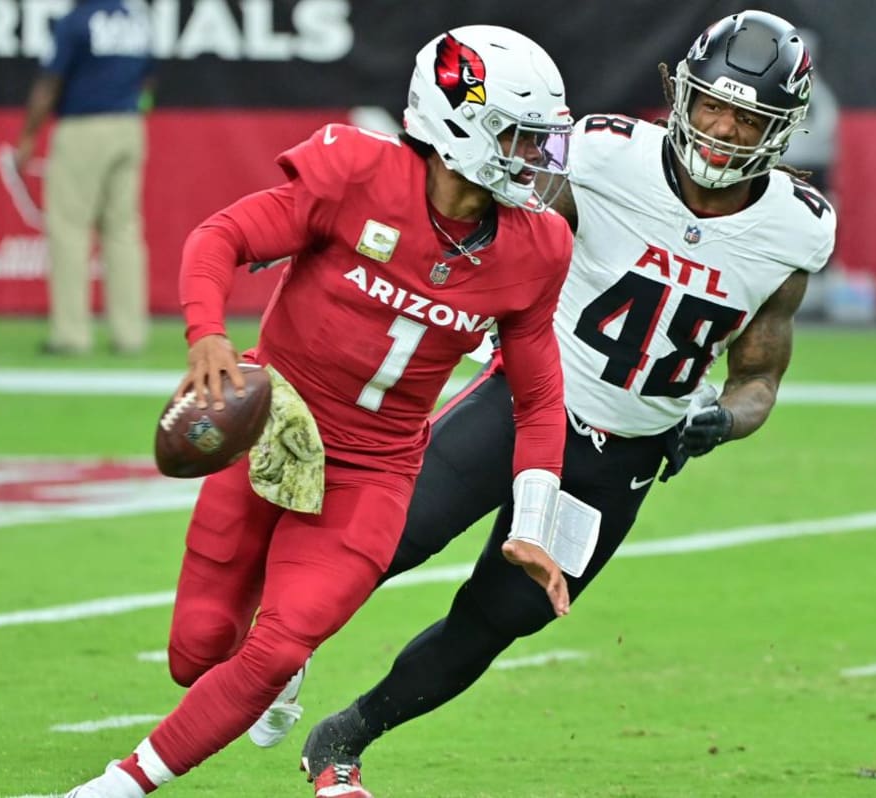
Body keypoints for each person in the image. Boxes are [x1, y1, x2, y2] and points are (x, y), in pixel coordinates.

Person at [298, 10, 837, 796]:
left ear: (780, 129)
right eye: (712, 106)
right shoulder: (604, 154)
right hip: (525, 405)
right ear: (682, 94)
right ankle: (276, 651)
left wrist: (721, 419)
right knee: (384, 539)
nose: (722, 130)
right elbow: (501, 222)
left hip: (623, 458)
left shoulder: (795, 229)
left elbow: (759, 378)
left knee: (499, 618)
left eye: (746, 118)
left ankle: (345, 737)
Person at [61, 24, 577, 798]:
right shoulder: (357, 172)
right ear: (457, 122)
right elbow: (222, 236)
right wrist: (208, 337)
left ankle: (119, 785)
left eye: (540, 139)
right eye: (518, 135)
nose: (534, 157)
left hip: (373, 470)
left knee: (274, 646)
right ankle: (272, 671)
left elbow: (538, 396)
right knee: (198, 651)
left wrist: (532, 523)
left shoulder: (536, 247)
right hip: (275, 425)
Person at [14, 0, 155, 356]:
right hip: (129, 126)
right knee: (123, 230)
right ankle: (130, 334)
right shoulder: (135, 20)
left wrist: (28, 136)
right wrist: (134, 108)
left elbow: (50, 82)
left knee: (69, 228)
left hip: (83, 127)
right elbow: (149, 79)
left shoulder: (76, 21)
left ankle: (71, 334)